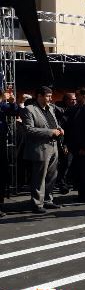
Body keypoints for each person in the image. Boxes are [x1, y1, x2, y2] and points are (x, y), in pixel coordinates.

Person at [22, 86, 63, 213]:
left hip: (53, 146)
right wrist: (50, 132)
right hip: (40, 148)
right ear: (39, 96)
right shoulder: (29, 109)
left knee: (52, 176)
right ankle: (37, 203)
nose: (51, 98)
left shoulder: (50, 108)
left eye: (51, 96)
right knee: (39, 177)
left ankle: (48, 200)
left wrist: (59, 128)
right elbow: (29, 129)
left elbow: (53, 123)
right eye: (48, 96)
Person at [0, 88, 19, 217]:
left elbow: (14, 112)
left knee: (2, 173)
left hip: (1, 142)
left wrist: (12, 102)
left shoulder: (3, 105)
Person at [54, 92, 76, 194]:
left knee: (71, 163)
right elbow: (61, 130)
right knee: (66, 163)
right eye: (72, 99)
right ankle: (62, 184)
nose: (74, 101)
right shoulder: (61, 113)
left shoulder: (75, 110)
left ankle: (70, 182)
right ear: (66, 100)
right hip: (65, 142)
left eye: (75, 99)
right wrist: (64, 144)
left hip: (74, 141)